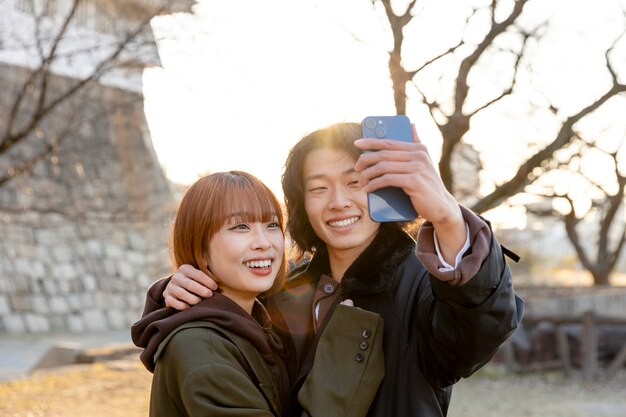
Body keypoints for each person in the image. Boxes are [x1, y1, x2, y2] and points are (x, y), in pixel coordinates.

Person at [139, 122, 524, 416]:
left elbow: (481, 326)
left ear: (384, 190)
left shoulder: (423, 286)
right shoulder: (285, 293)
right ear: (301, 203)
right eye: (319, 188)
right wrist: (182, 294)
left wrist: (447, 216)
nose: (338, 202)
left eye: (355, 182)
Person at [131, 171, 384, 417]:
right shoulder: (202, 350)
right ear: (201, 248)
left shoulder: (257, 325)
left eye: (272, 224)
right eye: (240, 226)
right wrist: (342, 363)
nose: (264, 242)